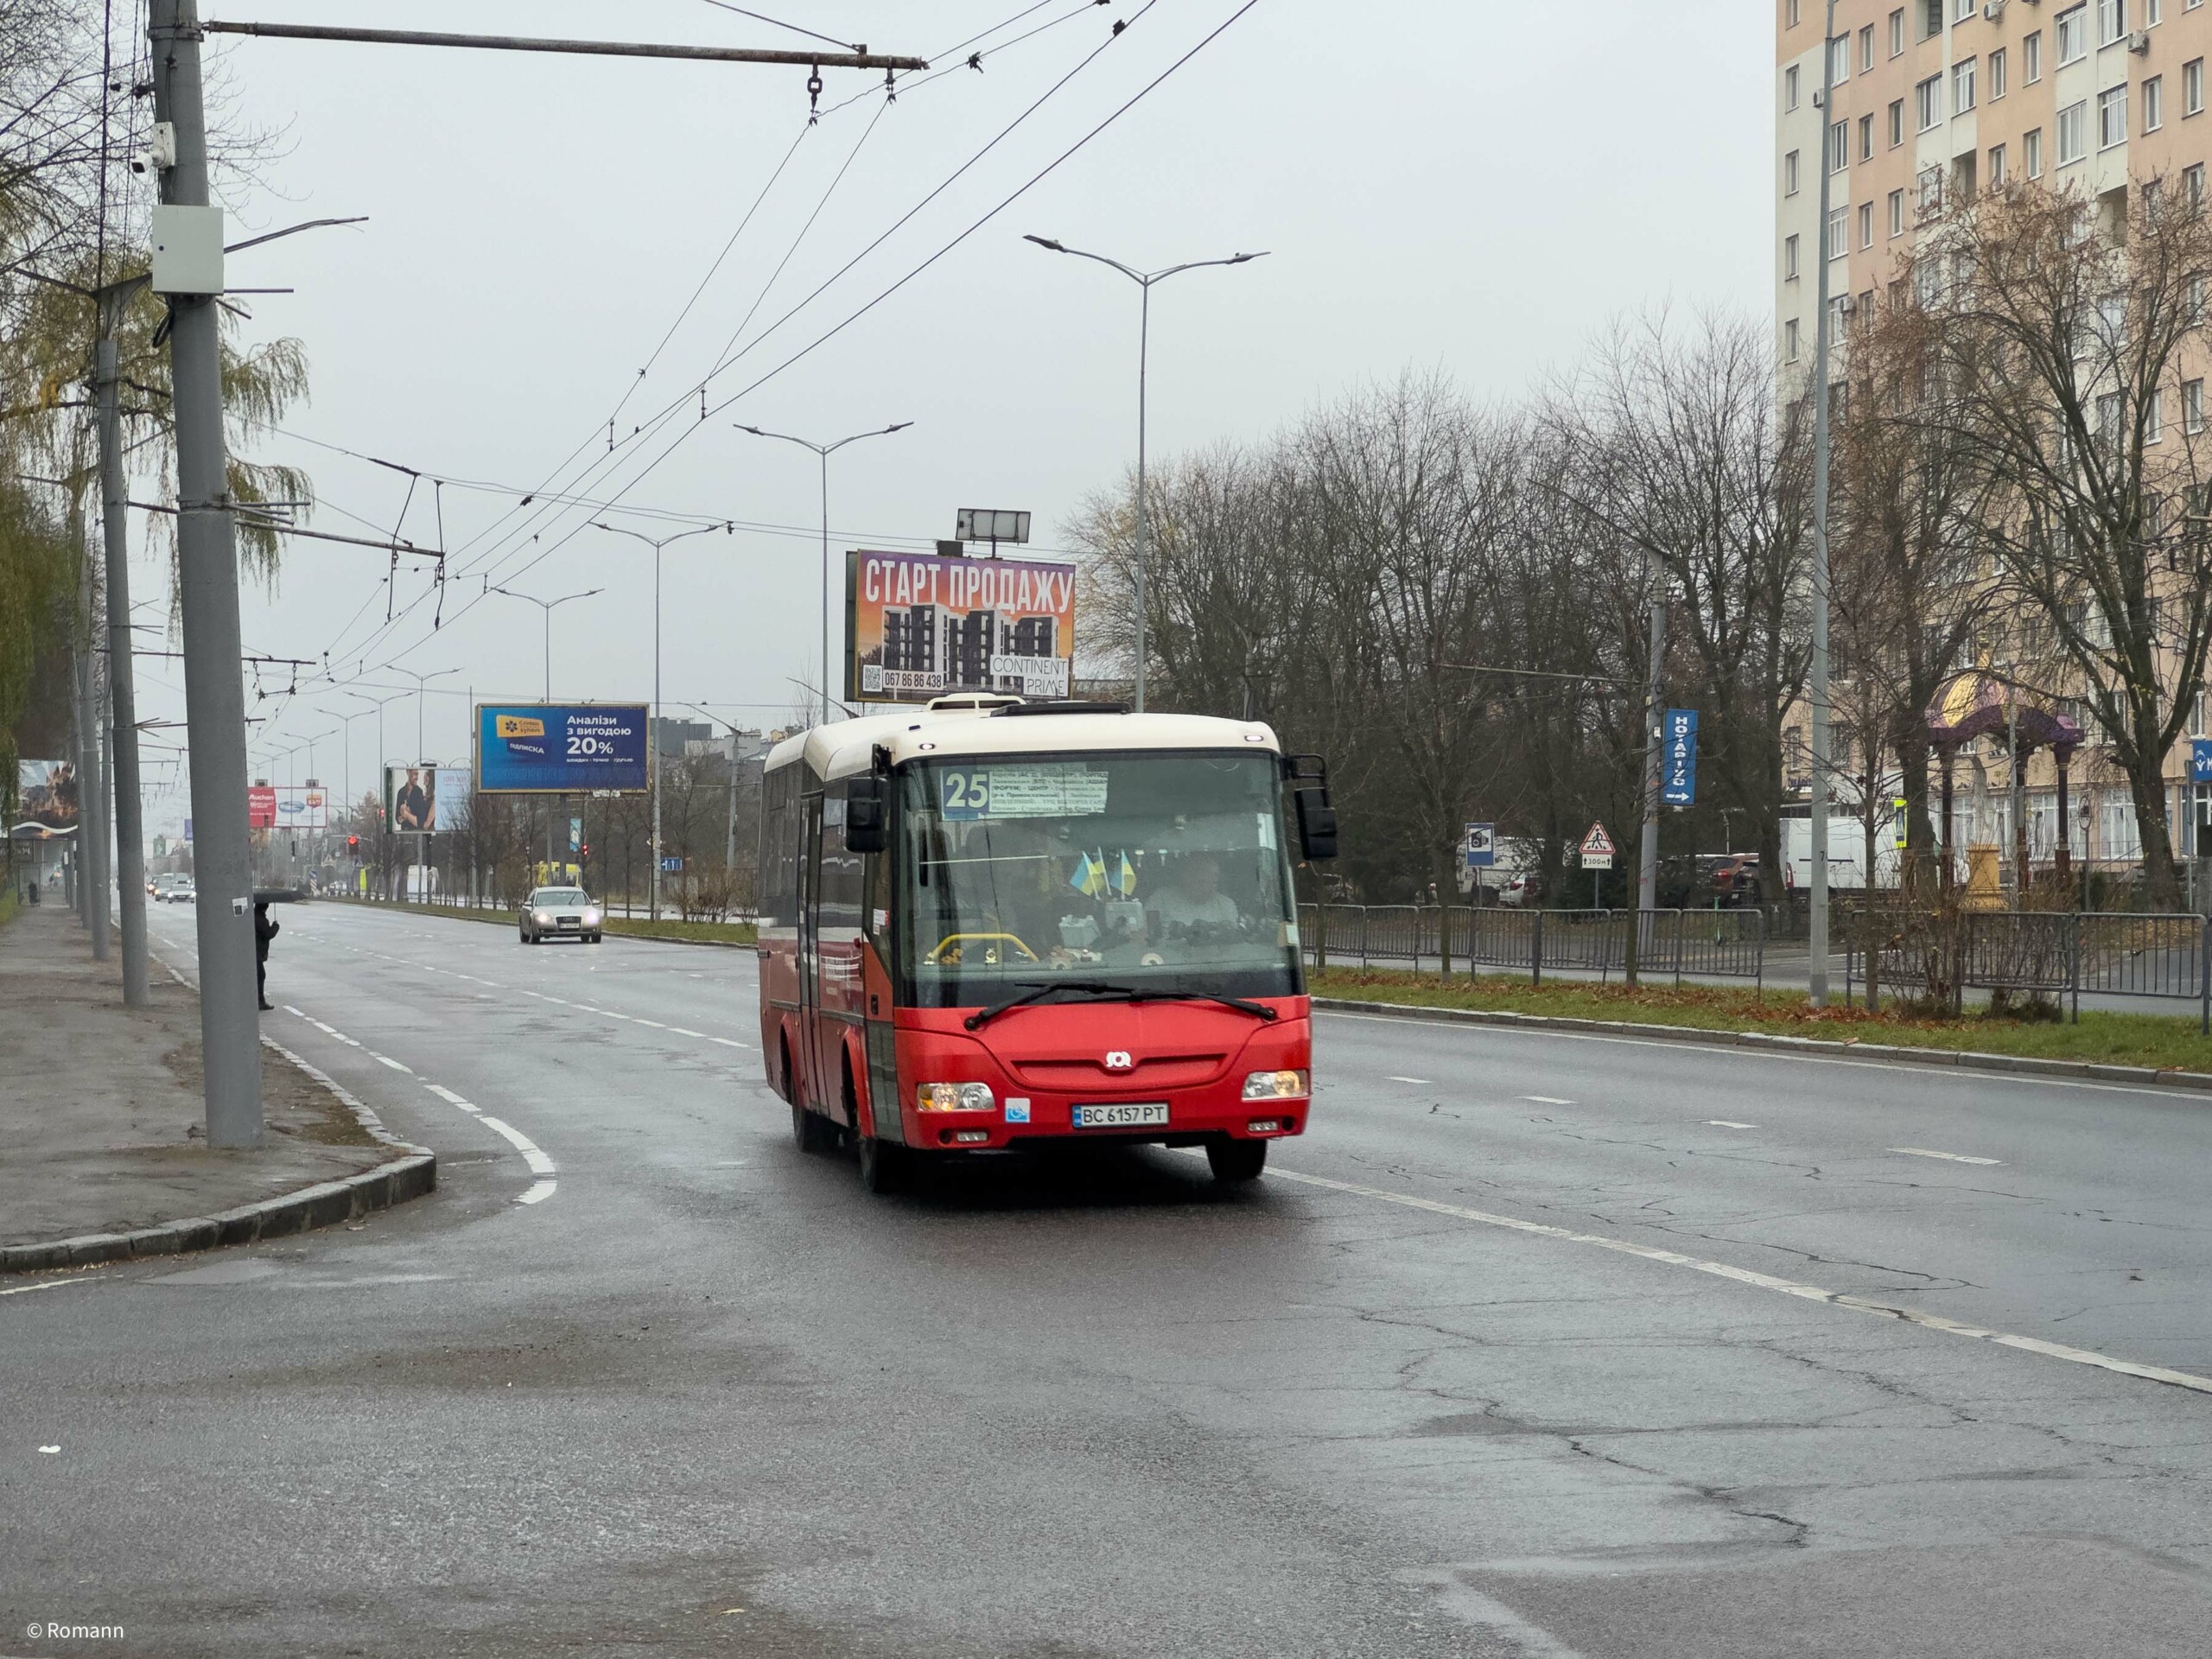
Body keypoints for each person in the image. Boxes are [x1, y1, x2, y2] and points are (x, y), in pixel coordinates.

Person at [1150, 852, 1243, 941]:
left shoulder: (1226, 904)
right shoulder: (1161, 899)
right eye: (1202, 883)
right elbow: (1144, 935)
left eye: (1213, 884)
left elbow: (1235, 939)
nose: (1207, 889)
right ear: (1186, 878)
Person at [254, 899, 280, 1011]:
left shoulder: (253, 916)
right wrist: (275, 926)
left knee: (258, 975)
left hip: (253, 951)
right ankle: (260, 1001)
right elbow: (268, 934)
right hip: (257, 952)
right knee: (260, 976)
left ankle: (257, 999)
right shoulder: (261, 919)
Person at [394, 768, 432, 833]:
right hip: (404, 832)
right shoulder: (401, 792)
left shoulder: (419, 792)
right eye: (415, 774)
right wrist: (402, 816)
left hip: (416, 833)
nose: (417, 778)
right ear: (408, 772)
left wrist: (409, 814)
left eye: (418, 775)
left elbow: (421, 818)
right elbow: (397, 818)